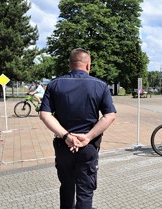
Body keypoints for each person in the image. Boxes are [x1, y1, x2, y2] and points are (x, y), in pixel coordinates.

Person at [39, 48, 116, 209]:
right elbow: (110, 115)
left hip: (63, 146)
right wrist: (87, 137)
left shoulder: (54, 85)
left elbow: (44, 114)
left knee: (66, 188)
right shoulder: (100, 86)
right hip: (88, 147)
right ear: (88, 65)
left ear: (70, 64)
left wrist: (66, 136)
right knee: (85, 192)